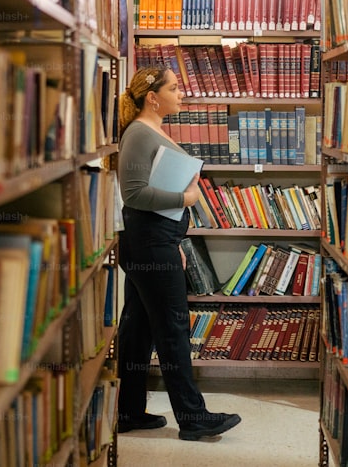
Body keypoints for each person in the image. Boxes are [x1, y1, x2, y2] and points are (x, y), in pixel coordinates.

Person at [115, 64, 242, 441]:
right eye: (174, 87)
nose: (181, 92)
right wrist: (185, 198)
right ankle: (193, 417)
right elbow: (134, 193)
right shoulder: (139, 132)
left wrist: (176, 243)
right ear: (153, 97)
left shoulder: (151, 129)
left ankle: (128, 411)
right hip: (149, 240)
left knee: (137, 330)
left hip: (156, 240)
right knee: (172, 327)